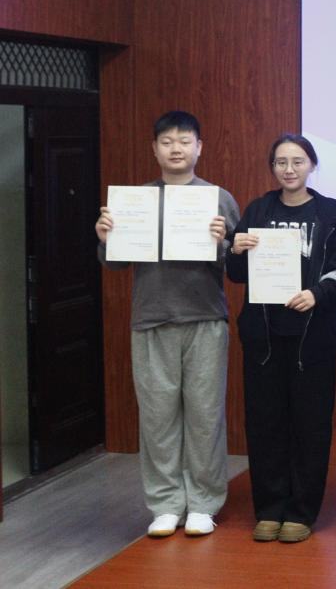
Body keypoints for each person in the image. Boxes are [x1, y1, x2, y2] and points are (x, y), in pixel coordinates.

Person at [95, 110, 240, 538]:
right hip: (151, 319)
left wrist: (223, 243)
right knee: (157, 419)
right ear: (154, 149)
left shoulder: (218, 198)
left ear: (199, 147)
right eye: (167, 141)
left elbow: (237, 266)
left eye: (185, 140)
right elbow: (116, 263)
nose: (176, 148)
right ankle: (165, 503)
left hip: (205, 319)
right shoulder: (135, 200)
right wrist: (106, 239)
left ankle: (204, 502)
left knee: (205, 416)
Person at [225, 133, 336, 544]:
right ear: (273, 167)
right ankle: (269, 508)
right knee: (265, 424)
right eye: (281, 162)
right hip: (264, 338)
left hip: (312, 337)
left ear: (312, 165)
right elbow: (236, 275)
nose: (289, 169)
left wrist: (317, 293)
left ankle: (301, 511)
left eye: (297, 161)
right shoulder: (258, 209)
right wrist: (236, 249)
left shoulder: (331, 214)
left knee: (310, 425)